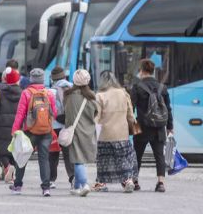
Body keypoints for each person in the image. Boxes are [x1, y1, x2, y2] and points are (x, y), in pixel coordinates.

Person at [10, 68, 57, 197]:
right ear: (42, 79)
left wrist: (15, 129)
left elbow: (20, 113)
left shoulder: (26, 93)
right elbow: (55, 113)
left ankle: (18, 185)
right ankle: (46, 188)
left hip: (30, 131)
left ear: (31, 79)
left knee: (22, 157)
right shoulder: (49, 94)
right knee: (44, 159)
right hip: (46, 131)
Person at [131, 59, 173, 193]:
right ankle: (160, 183)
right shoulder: (162, 87)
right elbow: (168, 108)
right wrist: (170, 126)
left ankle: (135, 181)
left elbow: (131, 108)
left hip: (141, 125)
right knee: (159, 155)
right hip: (159, 126)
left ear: (142, 71)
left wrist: (131, 125)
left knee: (137, 154)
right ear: (153, 71)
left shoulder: (137, 87)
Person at [94, 70, 137, 193]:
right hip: (122, 134)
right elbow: (130, 115)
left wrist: (94, 134)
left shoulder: (99, 96)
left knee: (104, 160)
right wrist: (135, 128)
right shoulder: (123, 93)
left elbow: (96, 118)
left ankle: (101, 183)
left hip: (105, 135)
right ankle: (127, 181)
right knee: (123, 159)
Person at [63, 69, 99, 197]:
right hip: (88, 131)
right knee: (80, 159)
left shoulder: (67, 95)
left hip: (74, 130)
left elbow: (66, 113)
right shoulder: (91, 96)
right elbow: (96, 112)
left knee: (78, 160)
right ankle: (77, 186)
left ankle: (84, 184)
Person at [48, 66, 74, 189]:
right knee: (69, 153)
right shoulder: (73, 87)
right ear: (64, 76)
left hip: (55, 126)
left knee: (53, 153)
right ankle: (73, 178)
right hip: (69, 125)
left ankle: (51, 180)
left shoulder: (50, 91)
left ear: (53, 79)